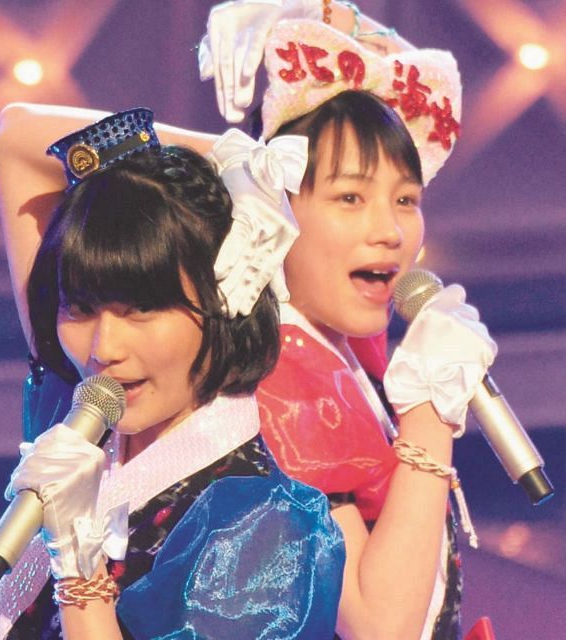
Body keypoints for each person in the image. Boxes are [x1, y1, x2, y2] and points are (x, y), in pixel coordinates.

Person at [0, 107, 345, 639]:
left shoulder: (266, 525)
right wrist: (226, 156)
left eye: (142, 309)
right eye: (80, 307)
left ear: (222, 298)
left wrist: (79, 567)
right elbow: (14, 135)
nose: (104, 348)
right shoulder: (77, 406)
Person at [198, 2, 498, 639]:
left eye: (405, 199)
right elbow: (378, 625)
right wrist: (432, 412)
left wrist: (328, 17)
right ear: (274, 204)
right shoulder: (280, 372)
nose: (390, 230)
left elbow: (408, 84)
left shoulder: (339, 346)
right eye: (350, 197)